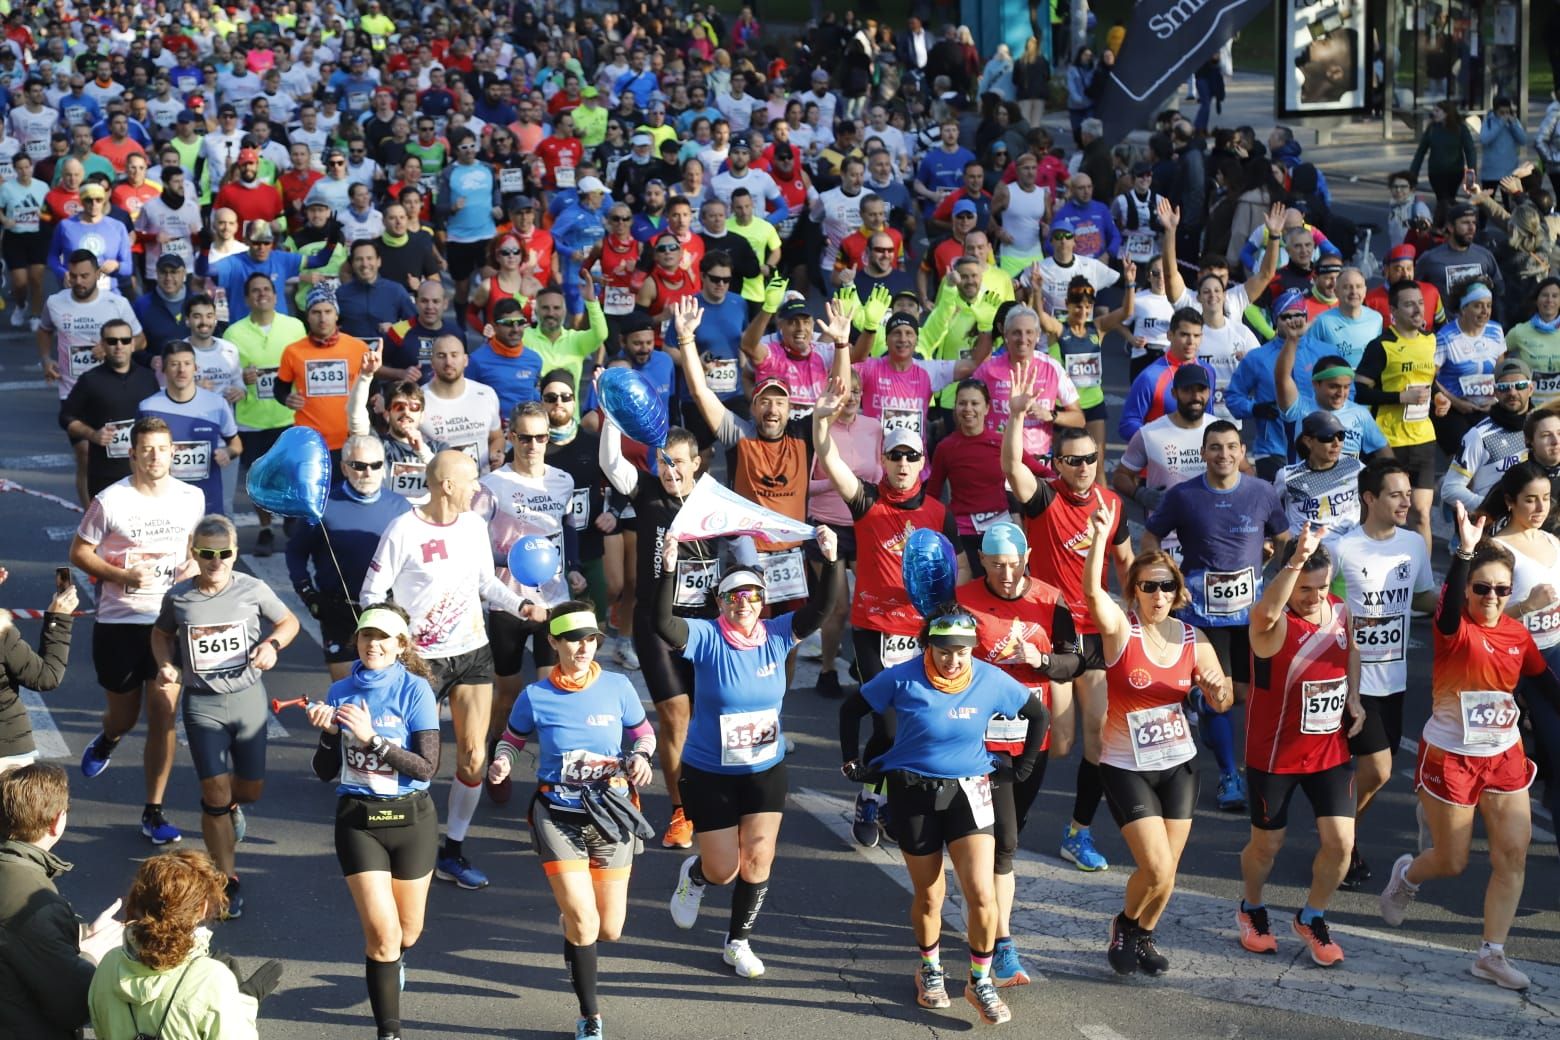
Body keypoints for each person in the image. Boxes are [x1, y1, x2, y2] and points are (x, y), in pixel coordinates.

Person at [838, 599, 1057, 1024]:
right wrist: (851, 760)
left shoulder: (990, 679)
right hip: (913, 794)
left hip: (969, 792)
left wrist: (1024, 766)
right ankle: (931, 970)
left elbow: (1038, 713)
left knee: (981, 892)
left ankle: (980, 981)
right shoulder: (902, 678)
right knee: (931, 894)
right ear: (928, 646)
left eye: (962, 651)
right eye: (944, 651)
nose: (954, 660)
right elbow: (852, 709)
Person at [1378, 505, 1555, 992]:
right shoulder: (1452, 630)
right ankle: (1407, 876)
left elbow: (1546, 686)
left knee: (1512, 856)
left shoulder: (1519, 634)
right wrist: (1464, 550)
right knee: (1452, 860)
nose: (1492, 597)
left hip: (1504, 757)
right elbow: (1453, 596)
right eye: (1482, 588)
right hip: (1451, 756)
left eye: (1502, 589)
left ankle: (1491, 955)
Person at [661, 527, 844, 978]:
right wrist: (665, 570)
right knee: (724, 869)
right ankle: (697, 876)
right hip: (710, 771)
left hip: (764, 769)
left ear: (763, 601)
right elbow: (662, 625)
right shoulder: (707, 637)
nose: (744, 602)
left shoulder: (778, 633)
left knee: (759, 857)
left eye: (753, 595)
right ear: (721, 603)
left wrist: (832, 559)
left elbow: (822, 607)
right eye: (734, 596)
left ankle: (737, 941)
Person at [487, 602, 656, 1040]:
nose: (583, 648)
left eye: (590, 639)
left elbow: (642, 732)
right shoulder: (536, 694)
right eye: (573, 640)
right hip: (557, 817)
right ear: (554, 643)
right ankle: (589, 1015)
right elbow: (512, 737)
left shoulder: (617, 687)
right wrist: (502, 762)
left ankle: (574, 919)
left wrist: (641, 757)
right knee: (585, 923)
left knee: (610, 928)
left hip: (611, 814)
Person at [1083, 497, 1232, 976]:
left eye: (1167, 587)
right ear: (1134, 591)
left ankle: (1143, 936)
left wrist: (1215, 688)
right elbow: (1090, 596)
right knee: (1156, 867)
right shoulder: (1119, 631)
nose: (1158, 595)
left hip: (1178, 764)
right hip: (1126, 765)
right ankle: (1125, 923)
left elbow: (1224, 699)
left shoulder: (1193, 640)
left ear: (1177, 592)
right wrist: (1098, 543)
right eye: (1149, 587)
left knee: (1169, 873)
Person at [1004, 368, 1134, 873]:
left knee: (1100, 738)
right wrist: (1017, 414)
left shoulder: (1111, 502)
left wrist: (1139, 614)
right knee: (1057, 744)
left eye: (1091, 460)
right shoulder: (1045, 497)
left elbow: (1123, 564)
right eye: (1073, 461)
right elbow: (1013, 465)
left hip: (1096, 633)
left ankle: (1078, 832)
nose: (1083, 468)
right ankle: (1009, 813)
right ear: (1057, 464)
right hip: (1052, 631)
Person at [954, 522, 1084, 986]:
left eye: (1014, 565)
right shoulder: (964, 599)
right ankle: (1002, 946)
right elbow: (943, 655)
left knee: (1010, 833)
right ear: (984, 562)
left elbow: (1075, 661)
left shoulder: (1051, 600)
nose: (1007, 576)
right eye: (997, 566)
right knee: (1004, 839)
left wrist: (1042, 661)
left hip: (1032, 738)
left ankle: (983, 905)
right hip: (979, 744)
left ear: (1027, 557)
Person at [151, 514, 298, 919]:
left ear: (234, 553)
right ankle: (227, 878)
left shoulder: (253, 589)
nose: (216, 561)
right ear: (194, 553)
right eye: (207, 553)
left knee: (247, 792)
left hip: (248, 698)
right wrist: (166, 665)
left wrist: (272, 645)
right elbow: (161, 634)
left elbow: (289, 621)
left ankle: (233, 809)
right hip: (203, 705)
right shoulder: (179, 598)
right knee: (215, 796)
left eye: (224, 553)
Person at [306, 605, 440, 1040]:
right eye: (366, 636)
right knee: (382, 937)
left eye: (383, 637)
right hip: (359, 821)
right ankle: (389, 1031)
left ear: (401, 645)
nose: (373, 645)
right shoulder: (341, 689)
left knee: (408, 933)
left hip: (412, 819)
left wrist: (373, 740)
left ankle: (394, 964)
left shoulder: (415, 690)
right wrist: (328, 734)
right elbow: (325, 772)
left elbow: (427, 767)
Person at [1140, 421, 1289, 811]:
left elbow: (1284, 539)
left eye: (1230, 447)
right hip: (1203, 615)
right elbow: (1151, 536)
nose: (1223, 455)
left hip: (1251, 616)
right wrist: (1171, 579)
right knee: (1220, 697)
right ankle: (1229, 776)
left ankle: (1201, 709)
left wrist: (1271, 569)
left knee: (1243, 695)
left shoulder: (1262, 492)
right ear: (1203, 453)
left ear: (1242, 452)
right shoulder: (1183, 496)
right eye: (1215, 448)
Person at [73, 417, 206, 845]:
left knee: (164, 714)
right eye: (146, 449)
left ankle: (153, 810)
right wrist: (121, 575)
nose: (154, 456)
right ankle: (109, 737)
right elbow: (79, 553)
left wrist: (193, 565)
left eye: (162, 449)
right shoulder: (110, 501)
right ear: (132, 453)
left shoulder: (192, 498)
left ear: (173, 453)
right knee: (124, 715)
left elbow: (193, 549)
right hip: (120, 621)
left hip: (168, 622)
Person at [1237, 524, 1362, 965]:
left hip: (1330, 751)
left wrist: (1354, 697)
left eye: (1322, 586)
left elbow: (1351, 653)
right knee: (1267, 847)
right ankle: (1252, 907)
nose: (1315, 597)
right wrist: (1293, 561)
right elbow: (1267, 612)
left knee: (1341, 843)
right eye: (1305, 588)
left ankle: (1312, 915)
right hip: (1274, 755)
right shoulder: (1271, 624)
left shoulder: (1340, 611)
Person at [1331, 459, 1438, 889]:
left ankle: (1341, 834)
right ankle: (1338, 839)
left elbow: (1425, 598)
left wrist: (1470, 599)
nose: (1405, 501)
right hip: (1351, 679)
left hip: (1396, 678)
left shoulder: (1413, 545)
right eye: (1395, 494)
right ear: (1369, 498)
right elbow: (1319, 605)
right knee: (1376, 770)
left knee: (1377, 771)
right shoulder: (1343, 550)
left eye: (1408, 494)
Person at [477, 401, 588, 804]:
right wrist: (507, 560)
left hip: (553, 601)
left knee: (549, 691)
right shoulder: (493, 484)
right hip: (508, 602)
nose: (533, 445)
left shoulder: (562, 480)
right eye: (524, 437)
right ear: (510, 436)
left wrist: (573, 566)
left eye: (541, 437)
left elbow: (569, 527)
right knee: (507, 695)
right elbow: (475, 546)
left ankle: (554, 778)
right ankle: (496, 758)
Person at [88, 849, 282, 1040]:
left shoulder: (108, 965)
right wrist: (245, 1004)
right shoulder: (211, 979)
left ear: (137, 901)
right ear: (202, 909)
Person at [0, 763, 125, 1039]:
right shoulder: (32, 900)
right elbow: (73, 1002)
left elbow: (19, 939)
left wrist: (81, 933)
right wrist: (92, 954)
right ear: (57, 821)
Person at [286, 436, 411, 680]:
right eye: (358, 465)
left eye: (375, 465)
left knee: (386, 689)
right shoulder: (321, 507)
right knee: (347, 694)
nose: (367, 472)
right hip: (339, 611)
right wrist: (306, 592)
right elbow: (295, 551)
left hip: (387, 609)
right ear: (344, 467)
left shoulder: (402, 507)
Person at [1355, 281, 1447, 556]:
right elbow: (1360, 391)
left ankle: (1424, 582)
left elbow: (1430, 384)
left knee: (1420, 513)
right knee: (1380, 511)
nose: (1417, 308)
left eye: (1420, 302)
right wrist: (1399, 398)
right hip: (1388, 440)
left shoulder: (1431, 341)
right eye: (1409, 304)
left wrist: (1440, 400)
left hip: (1423, 438)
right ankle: (1368, 563)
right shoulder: (1382, 346)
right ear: (1393, 311)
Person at [58, 318, 161, 501]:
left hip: (144, 472)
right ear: (103, 346)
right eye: (112, 341)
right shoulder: (90, 380)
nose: (119, 346)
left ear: (133, 344)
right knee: (109, 530)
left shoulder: (148, 379)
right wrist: (92, 435)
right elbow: (66, 418)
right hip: (105, 476)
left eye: (125, 340)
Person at [137, 341, 242, 518]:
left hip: (207, 502)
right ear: (163, 368)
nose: (181, 370)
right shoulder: (148, 407)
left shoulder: (216, 404)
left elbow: (236, 444)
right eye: (174, 364)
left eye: (187, 363)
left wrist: (227, 452)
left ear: (195, 367)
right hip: (164, 504)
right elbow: (135, 456)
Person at [273, 286, 370, 455]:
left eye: (328, 311)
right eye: (316, 312)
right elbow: (280, 388)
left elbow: (370, 387)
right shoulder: (293, 351)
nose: (323, 318)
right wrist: (287, 399)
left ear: (336, 315)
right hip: (309, 443)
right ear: (308, 317)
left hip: (351, 440)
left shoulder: (358, 348)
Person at [1441, 359, 1536, 513]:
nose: (1512, 393)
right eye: (1504, 387)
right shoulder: (1478, 435)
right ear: (1495, 392)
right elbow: (1450, 489)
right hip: (1497, 528)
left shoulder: (1547, 428)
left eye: (1520, 386)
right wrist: (1492, 507)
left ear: (1531, 388)